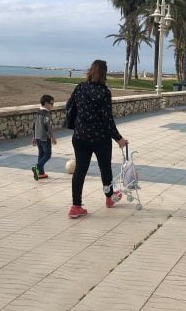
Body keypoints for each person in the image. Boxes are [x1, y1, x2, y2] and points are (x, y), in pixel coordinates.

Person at [66, 59, 128, 219]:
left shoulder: (80, 87)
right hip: (100, 138)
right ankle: (109, 198)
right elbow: (107, 119)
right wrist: (119, 139)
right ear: (104, 74)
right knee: (105, 168)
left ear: (90, 70)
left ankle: (76, 206)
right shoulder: (104, 92)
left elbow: (69, 106)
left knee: (80, 170)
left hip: (80, 136)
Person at [31, 94, 57, 180]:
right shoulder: (46, 114)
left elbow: (34, 125)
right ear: (46, 104)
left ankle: (41, 173)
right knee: (48, 154)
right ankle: (37, 167)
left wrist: (34, 136)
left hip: (38, 137)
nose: (52, 106)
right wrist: (52, 137)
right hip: (45, 137)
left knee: (41, 154)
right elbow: (47, 126)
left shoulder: (38, 112)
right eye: (52, 104)